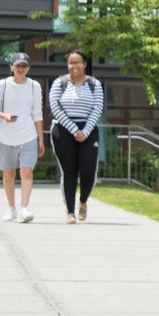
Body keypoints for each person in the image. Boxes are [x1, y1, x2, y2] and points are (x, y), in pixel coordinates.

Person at [49, 50, 105, 223]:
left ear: (85, 64)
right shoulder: (60, 83)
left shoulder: (94, 84)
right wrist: (74, 130)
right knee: (69, 171)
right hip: (64, 130)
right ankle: (70, 212)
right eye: (71, 63)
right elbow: (55, 107)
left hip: (88, 129)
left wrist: (85, 132)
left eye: (78, 62)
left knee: (88, 171)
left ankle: (83, 201)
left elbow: (98, 108)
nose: (74, 66)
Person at [0, 55, 44, 222]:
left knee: (27, 171)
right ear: (11, 66)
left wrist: (40, 138)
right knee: (8, 175)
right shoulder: (3, 85)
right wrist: (4, 116)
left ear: (28, 68)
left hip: (28, 136)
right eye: (18, 65)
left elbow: (37, 113)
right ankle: (11, 208)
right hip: (6, 137)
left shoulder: (35, 86)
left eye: (24, 66)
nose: (21, 69)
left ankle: (24, 208)